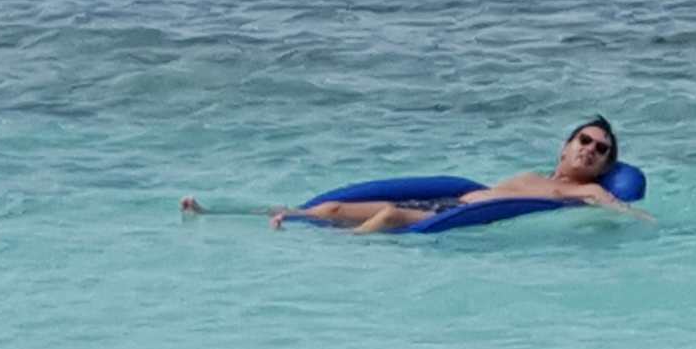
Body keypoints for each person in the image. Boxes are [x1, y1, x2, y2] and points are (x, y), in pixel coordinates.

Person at [181, 117, 649, 232]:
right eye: (584, 140)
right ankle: (219, 213)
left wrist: (647, 224)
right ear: (565, 146)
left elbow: (620, 209)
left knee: (387, 216)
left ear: (606, 165)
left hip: (446, 217)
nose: (590, 150)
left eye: (601, 150)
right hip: (449, 202)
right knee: (332, 207)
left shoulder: (590, 190)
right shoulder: (530, 173)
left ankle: (327, 247)